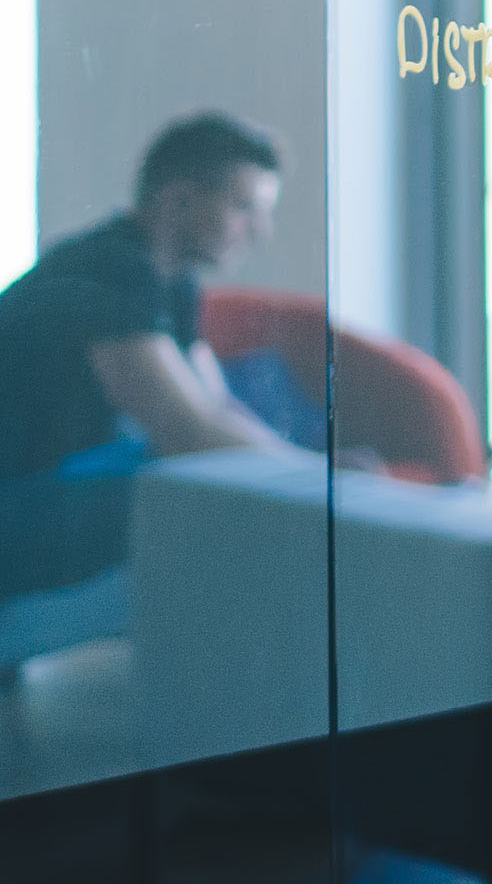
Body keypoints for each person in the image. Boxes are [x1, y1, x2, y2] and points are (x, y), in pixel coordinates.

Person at [0, 113, 296, 598]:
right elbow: (189, 432)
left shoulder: (172, 281)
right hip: (13, 507)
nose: (260, 231)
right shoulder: (112, 269)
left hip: (41, 487)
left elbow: (216, 408)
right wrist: (315, 478)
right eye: (245, 207)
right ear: (179, 198)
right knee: (193, 498)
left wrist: (311, 465)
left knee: (215, 471)